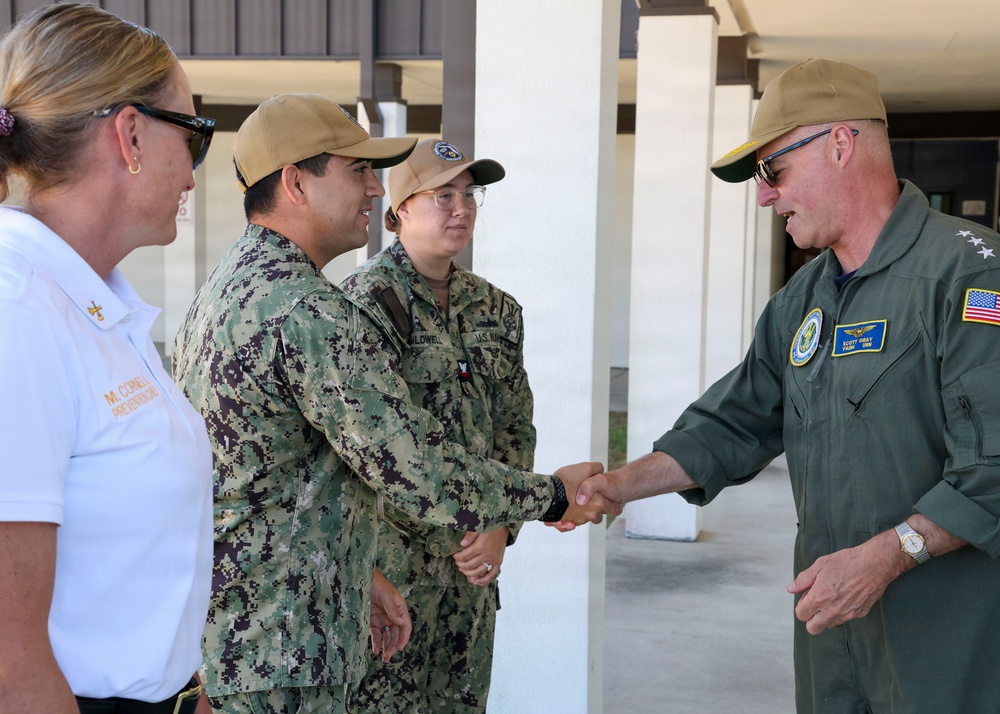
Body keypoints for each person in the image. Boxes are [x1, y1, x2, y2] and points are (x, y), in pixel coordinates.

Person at [578, 58, 1000, 713]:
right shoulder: (802, 299)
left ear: (840, 144)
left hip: (944, 642)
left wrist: (889, 556)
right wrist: (617, 486)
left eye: (772, 170)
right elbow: (734, 422)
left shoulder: (970, 276)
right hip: (834, 628)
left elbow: (992, 464)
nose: (764, 196)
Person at [172, 93, 615, 714]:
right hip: (290, 647)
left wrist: (361, 575)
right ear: (295, 183)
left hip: (253, 633)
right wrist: (555, 496)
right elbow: (417, 469)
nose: (376, 189)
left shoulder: (229, 288)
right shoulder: (312, 311)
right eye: (358, 170)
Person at [0, 4, 216, 714]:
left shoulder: (90, 302)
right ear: (130, 134)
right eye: (193, 134)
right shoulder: (18, 312)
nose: (193, 175)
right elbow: (9, 663)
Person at [341, 139, 528, 712]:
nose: (461, 209)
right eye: (442, 195)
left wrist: (501, 525)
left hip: (472, 573)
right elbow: (353, 449)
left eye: (469, 195)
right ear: (400, 209)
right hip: (391, 576)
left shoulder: (496, 309)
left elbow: (514, 429)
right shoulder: (360, 307)